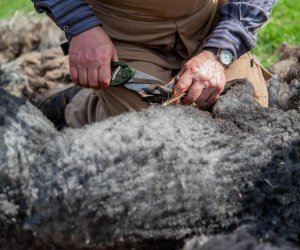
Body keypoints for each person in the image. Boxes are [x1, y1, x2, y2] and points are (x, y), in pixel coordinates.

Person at [32, 0, 276, 128]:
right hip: (121, 29)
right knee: (149, 138)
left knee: (246, 121)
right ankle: (82, 107)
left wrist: (220, 51)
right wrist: (80, 27)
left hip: (209, 23)